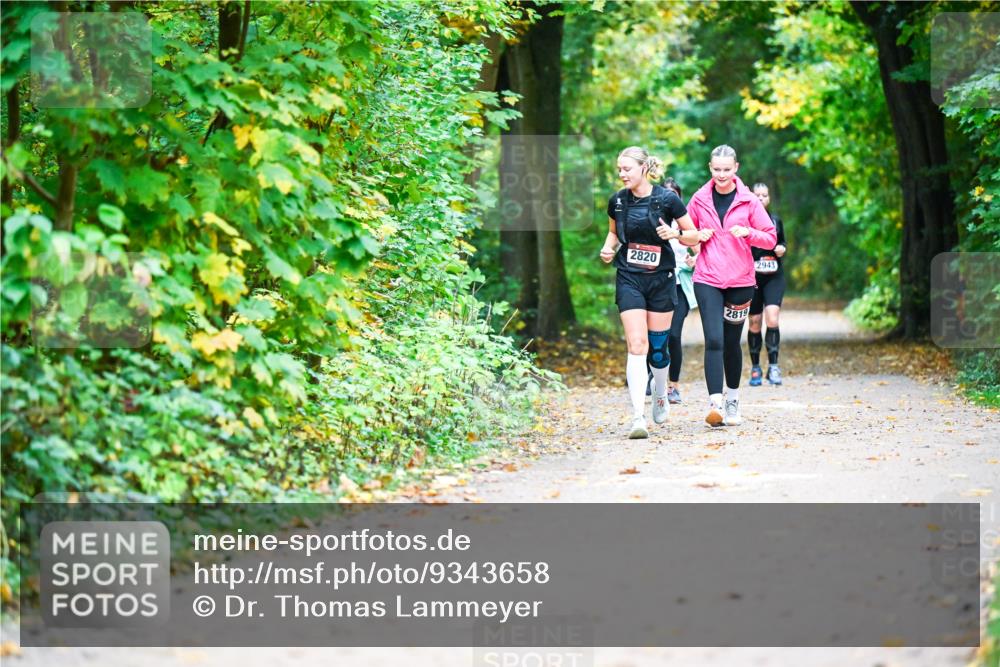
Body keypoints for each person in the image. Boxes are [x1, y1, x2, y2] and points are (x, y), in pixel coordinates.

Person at [600, 147, 699, 439]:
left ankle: (660, 393)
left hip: (661, 278)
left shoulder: (667, 199)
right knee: (636, 344)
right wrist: (608, 248)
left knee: (658, 349)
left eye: (627, 169)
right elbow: (614, 233)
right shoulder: (617, 201)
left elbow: (693, 234)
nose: (622, 174)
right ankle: (637, 417)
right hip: (629, 277)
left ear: (643, 168)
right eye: (619, 169)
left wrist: (676, 235)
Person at [685, 145, 777, 427]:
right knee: (713, 339)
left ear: (736, 167)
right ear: (709, 168)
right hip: (707, 278)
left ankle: (733, 401)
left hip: (740, 281)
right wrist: (696, 235)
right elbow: (684, 234)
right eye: (716, 169)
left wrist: (749, 232)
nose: (721, 175)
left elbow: (770, 239)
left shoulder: (749, 201)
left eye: (727, 169)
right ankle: (715, 404)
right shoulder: (699, 199)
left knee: (730, 343)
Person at [747, 182, 787, 386]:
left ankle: (773, 366)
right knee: (754, 322)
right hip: (752, 279)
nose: (761, 198)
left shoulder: (775, 220)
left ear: (769, 198)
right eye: (757, 195)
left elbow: (783, 243)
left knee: (772, 318)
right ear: (751, 197)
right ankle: (755, 367)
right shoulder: (745, 222)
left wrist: (781, 249)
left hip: (773, 276)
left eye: (764, 195)